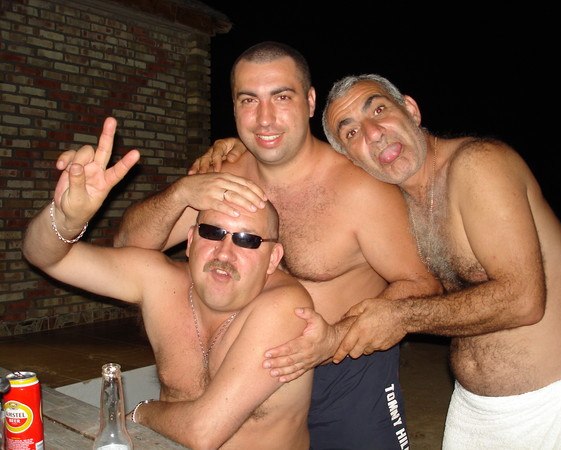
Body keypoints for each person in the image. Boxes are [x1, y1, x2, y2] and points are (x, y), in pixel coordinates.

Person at [109, 41, 441, 449]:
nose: (264, 118)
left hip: (346, 381)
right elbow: (129, 246)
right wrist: (180, 193)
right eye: (249, 100)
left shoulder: (361, 191)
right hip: (247, 382)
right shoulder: (225, 176)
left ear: (309, 101)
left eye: (281, 97)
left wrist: (337, 336)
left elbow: (421, 284)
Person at [312, 74, 561, 448]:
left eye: (379, 110)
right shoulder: (399, 208)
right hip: (473, 409)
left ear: (411, 110)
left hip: (557, 402)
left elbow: (524, 300)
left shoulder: (478, 165)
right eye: (351, 133)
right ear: (351, 159)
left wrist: (401, 317)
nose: (373, 133)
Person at [23, 117, 315, 450]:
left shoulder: (285, 307)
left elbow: (203, 432)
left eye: (247, 239)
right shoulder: (160, 281)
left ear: (273, 258)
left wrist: (139, 414)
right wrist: (65, 220)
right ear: (190, 240)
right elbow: (45, 257)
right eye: (212, 232)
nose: (225, 252)